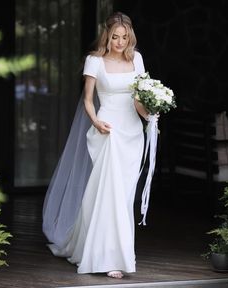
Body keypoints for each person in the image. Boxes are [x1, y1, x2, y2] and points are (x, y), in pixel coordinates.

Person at [42, 11, 155, 279]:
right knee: (109, 193)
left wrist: (151, 113)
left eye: (125, 37)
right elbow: (88, 100)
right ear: (107, 35)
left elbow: (139, 99)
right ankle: (109, 257)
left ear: (130, 37)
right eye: (115, 37)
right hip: (107, 129)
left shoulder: (136, 58)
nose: (120, 42)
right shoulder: (95, 61)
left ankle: (106, 249)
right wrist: (95, 122)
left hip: (131, 132)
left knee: (125, 195)